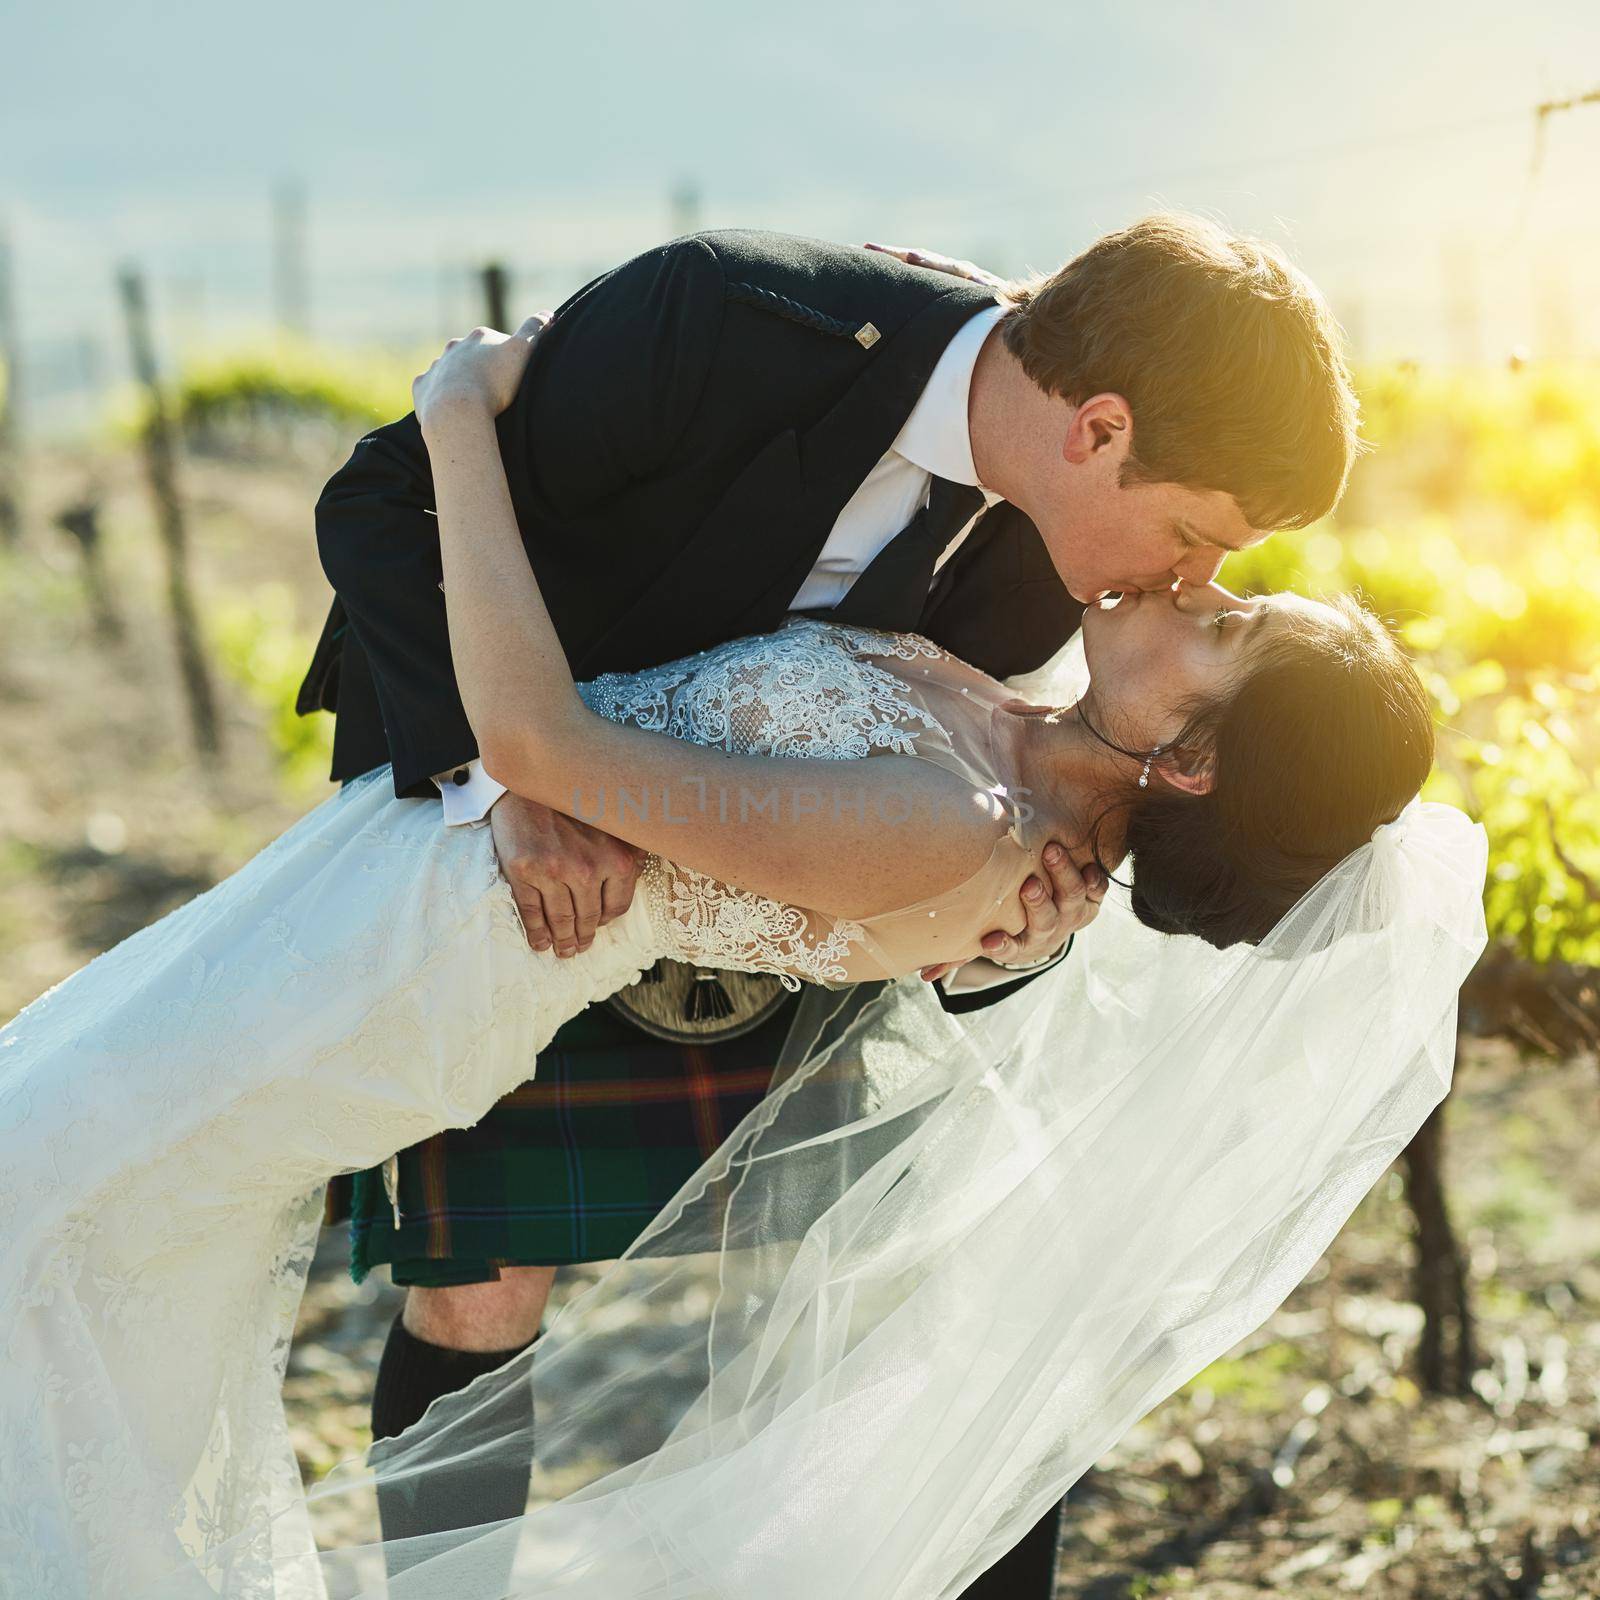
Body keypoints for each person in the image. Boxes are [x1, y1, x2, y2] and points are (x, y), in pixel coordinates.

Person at [0, 314, 1486, 1600]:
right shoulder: (1022, 746)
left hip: (406, 960)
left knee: (49, 1204)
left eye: (1231, 621)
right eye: (1224, 574)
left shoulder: (955, 822)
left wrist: (454, 422)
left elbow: (541, 748)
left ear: (1199, 763)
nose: (1199, 583)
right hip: (389, 897)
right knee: (72, 1231)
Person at [301, 217, 1361, 1597]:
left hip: (773, 882)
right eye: (1197, 537)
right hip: (516, 834)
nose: (1186, 580)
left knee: (945, 1272)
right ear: (1100, 431)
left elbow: (953, 736)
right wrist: (490, 790)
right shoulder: (728, 317)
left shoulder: (1073, 542)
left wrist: (1008, 913)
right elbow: (381, 499)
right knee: (477, 1284)